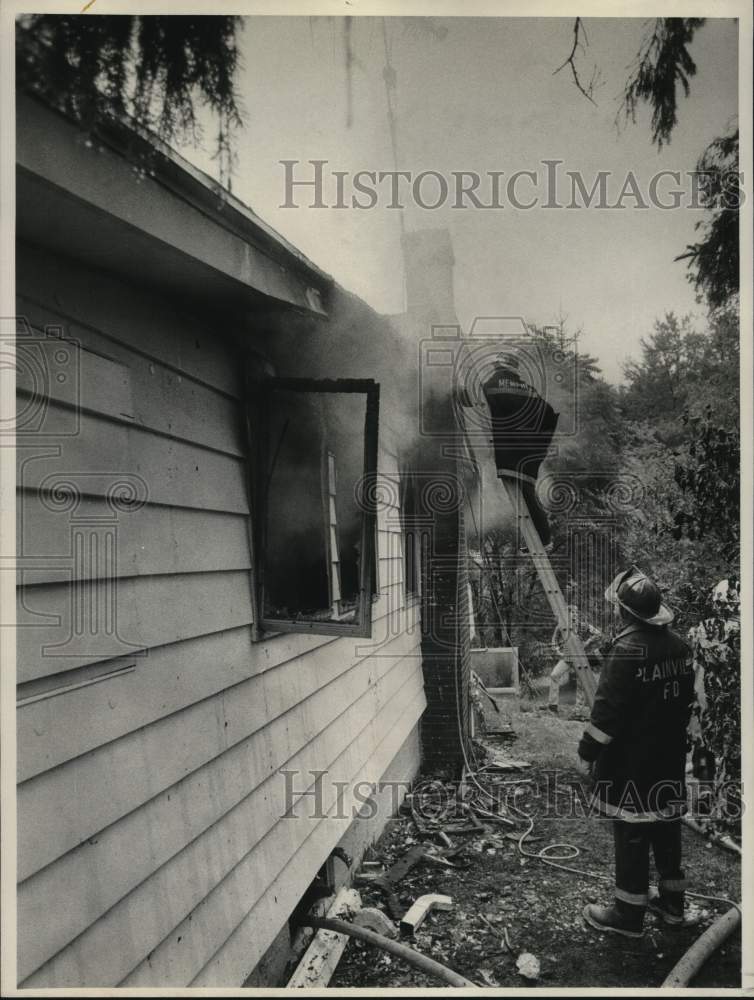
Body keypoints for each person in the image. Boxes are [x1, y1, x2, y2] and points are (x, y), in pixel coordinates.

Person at [577, 566, 695, 938]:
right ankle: (673, 907)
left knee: (631, 835)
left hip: (631, 767)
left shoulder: (626, 650)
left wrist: (587, 751)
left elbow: (606, 715)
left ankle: (627, 917)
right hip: (669, 761)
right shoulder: (680, 647)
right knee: (667, 831)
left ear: (626, 612)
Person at [481, 352, 558, 545]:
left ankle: (544, 539)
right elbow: (548, 412)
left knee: (526, 496)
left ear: (499, 367)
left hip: (511, 452)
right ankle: (543, 538)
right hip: (529, 452)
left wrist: (458, 392)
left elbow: (476, 396)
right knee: (528, 493)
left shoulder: (494, 383)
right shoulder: (527, 388)